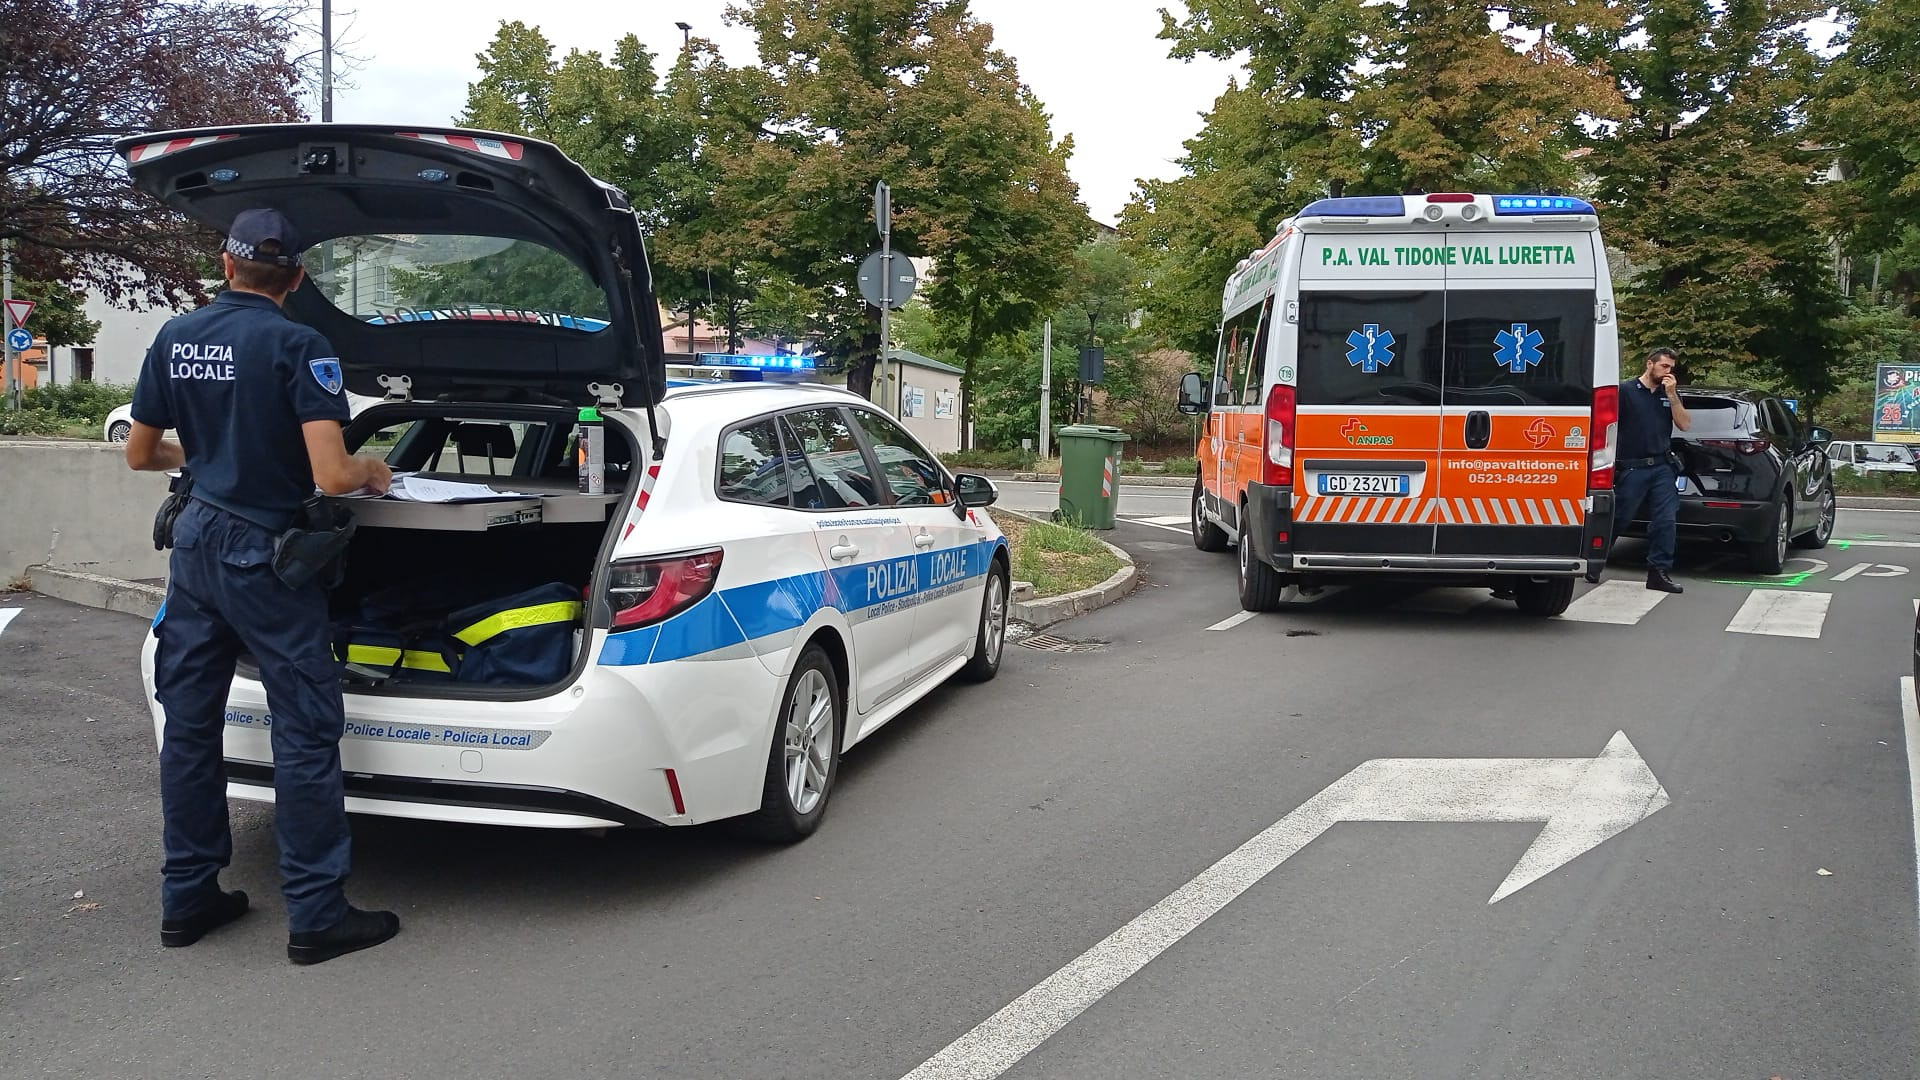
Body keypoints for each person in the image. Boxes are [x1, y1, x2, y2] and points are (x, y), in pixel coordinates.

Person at [125, 208, 400, 965]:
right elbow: (335, 475)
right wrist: (375, 469)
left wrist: (208, 454)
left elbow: (141, 455)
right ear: (298, 278)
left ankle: (188, 900)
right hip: (266, 555)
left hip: (195, 541)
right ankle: (316, 915)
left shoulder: (175, 338)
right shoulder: (299, 344)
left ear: (226, 265)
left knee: (188, 723)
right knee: (305, 729)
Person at [1612, 346, 1693, 593]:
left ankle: (1658, 572)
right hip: (1633, 466)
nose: (1668, 371)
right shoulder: (1625, 391)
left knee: (1665, 520)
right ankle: (1595, 559)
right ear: (1650, 364)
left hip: (1661, 466)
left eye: (1671, 368)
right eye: (1664, 366)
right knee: (1619, 517)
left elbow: (1684, 424)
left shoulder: (1669, 394)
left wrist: (1672, 395)